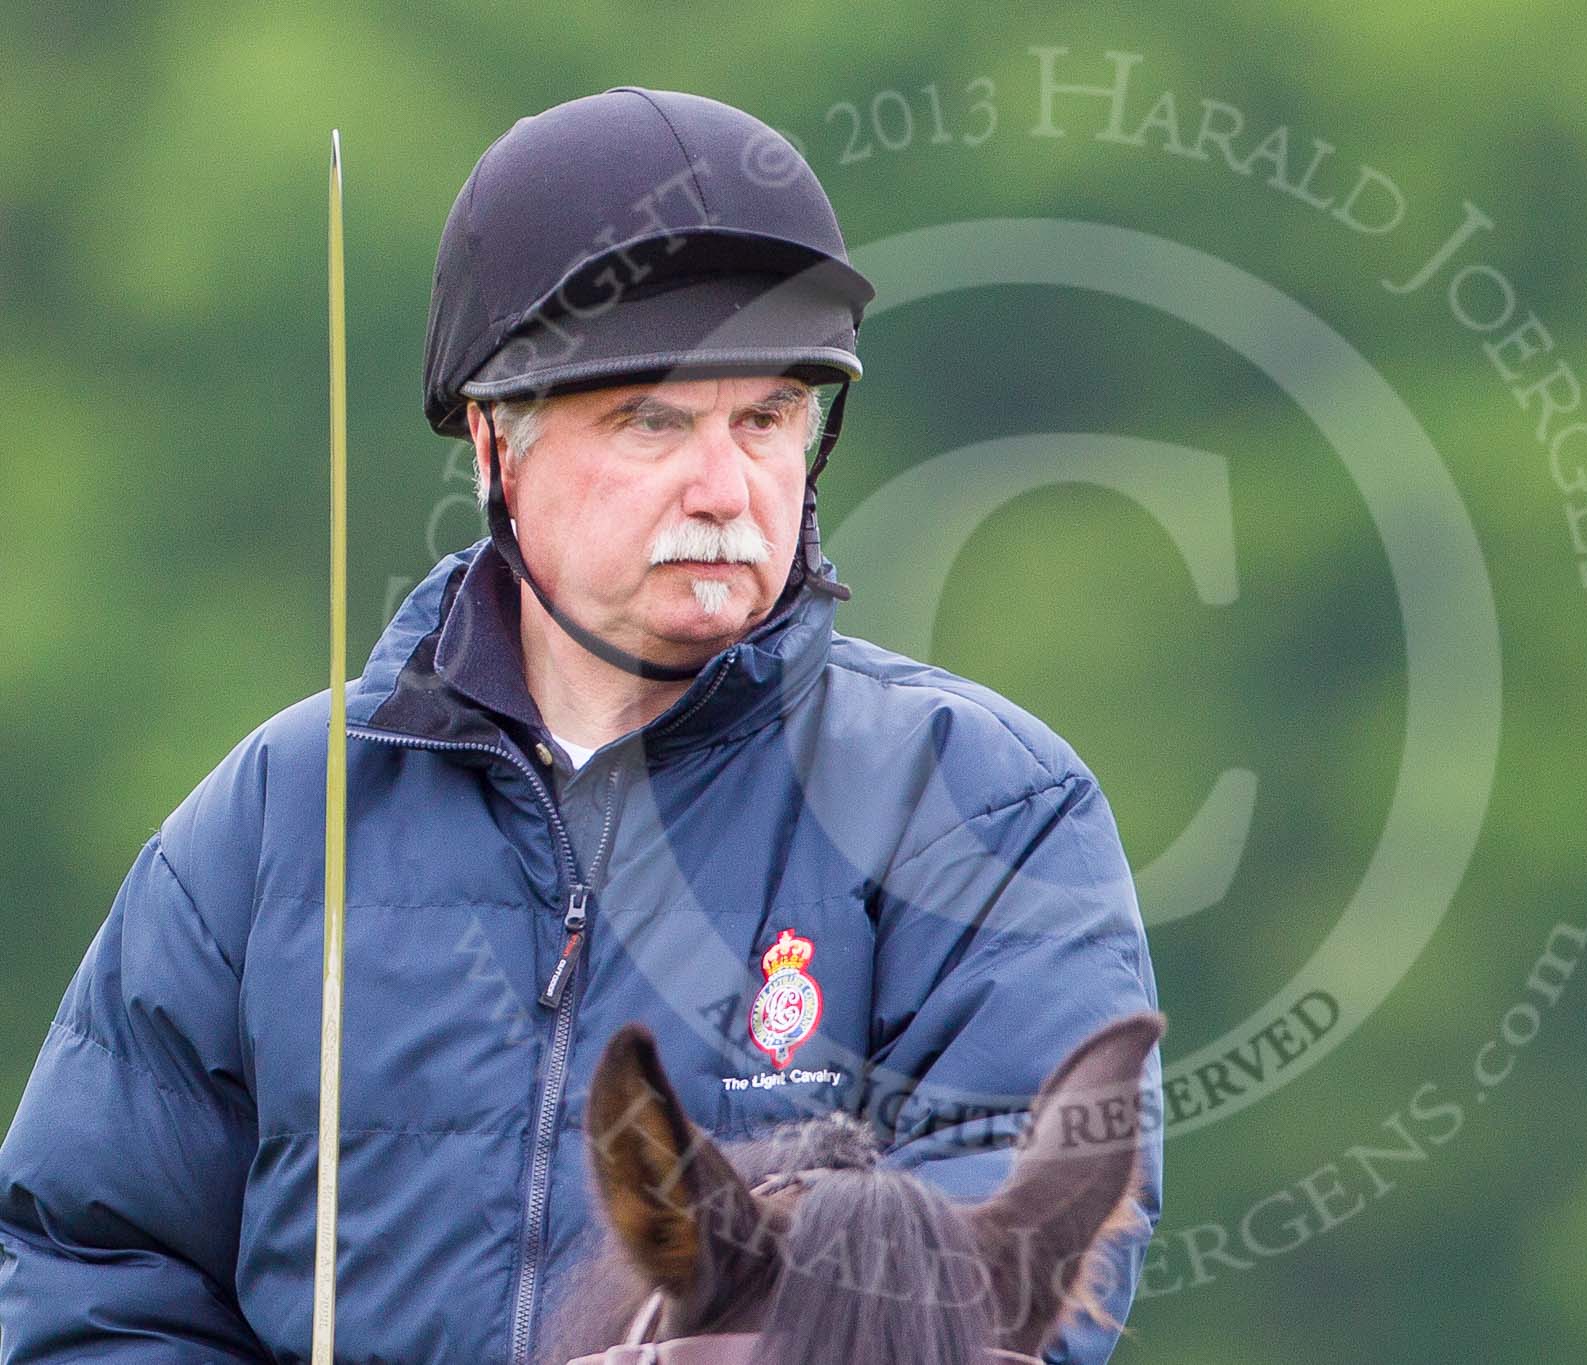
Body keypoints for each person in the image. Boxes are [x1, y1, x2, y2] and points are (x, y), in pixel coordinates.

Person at [0, 87, 1161, 1363]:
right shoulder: (277, 816)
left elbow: (990, 1298)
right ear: (497, 446)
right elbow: (82, 1266)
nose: (725, 489)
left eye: (766, 419)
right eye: (652, 421)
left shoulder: (985, 804)